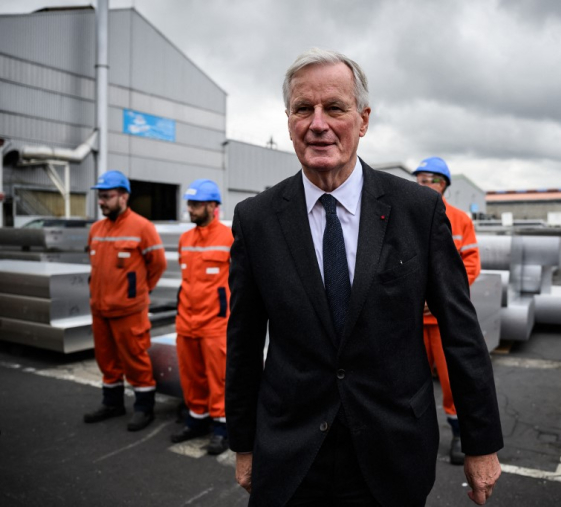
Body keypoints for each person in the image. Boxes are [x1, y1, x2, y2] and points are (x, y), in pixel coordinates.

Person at [226, 48, 503, 507]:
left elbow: (462, 334)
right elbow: (243, 339)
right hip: (291, 456)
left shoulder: (418, 211)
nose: (318, 124)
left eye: (334, 107)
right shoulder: (256, 219)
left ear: (363, 119)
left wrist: (481, 443)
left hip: (392, 453)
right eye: (303, 109)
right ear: (289, 119)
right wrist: (243, 443)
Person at [84, 170, 167, 431]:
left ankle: (144, 408)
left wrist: (137, 292)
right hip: (100, 309)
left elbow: (158, 265)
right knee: (106, 360)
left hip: (129, 310)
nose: (101, 202)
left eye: (107, 196)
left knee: (135, 359)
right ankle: (112, 404)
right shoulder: (96, 229)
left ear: (123, 197)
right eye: (100, 196)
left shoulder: (142, 227)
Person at [412, 157, 481, 465]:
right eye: (419, 179)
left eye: (428, 180)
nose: (422, 185)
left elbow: (470, 264)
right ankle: (411, 434)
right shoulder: (403, 214)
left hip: (443, 323)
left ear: (444, 186)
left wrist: (438, 296)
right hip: (409, 321)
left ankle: (459, 433)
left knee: (454, 381)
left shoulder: (460, 220)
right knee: (408, 380)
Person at [170, 179, 233, 455]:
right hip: (187, 321)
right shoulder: (185, 239)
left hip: (215, 323)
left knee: (218, 377)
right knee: (191, 375)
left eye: (195, 205)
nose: (190, 210)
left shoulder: (229, 237)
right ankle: (196, 419)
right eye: (189, 204)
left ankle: (222, 428)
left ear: (212, 206)